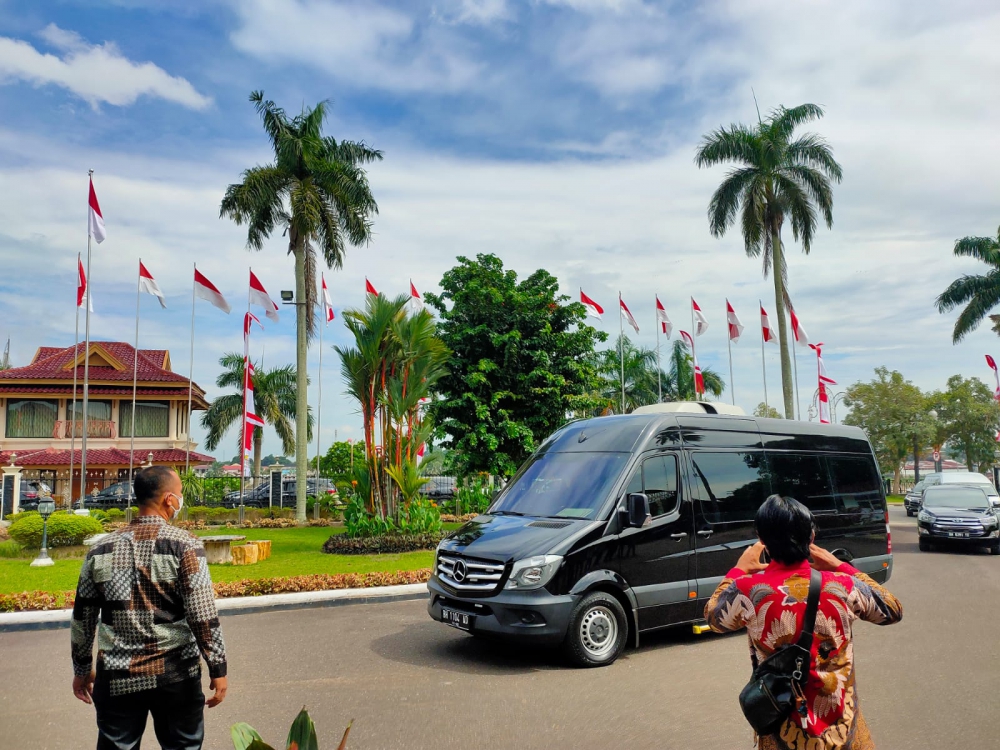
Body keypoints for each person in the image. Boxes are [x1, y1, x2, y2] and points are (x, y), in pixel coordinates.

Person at [705, 495, 902, 750]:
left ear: (762, 541)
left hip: (782, 731)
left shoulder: (748, 591)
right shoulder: (841, 586)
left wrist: (739, 569)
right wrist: (841, 566)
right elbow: (892, 609)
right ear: (811, 538)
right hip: (842, 730)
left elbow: (713, 618)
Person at [70, 466, 228, 750]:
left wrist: (82, 669)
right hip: (175, 674)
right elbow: (202, 614)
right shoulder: (185, 546)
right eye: (179, 495)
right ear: (169, 499)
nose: (180, 501)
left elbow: (83, 616)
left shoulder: (100, 549)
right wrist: (218, 667)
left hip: (117, 676)